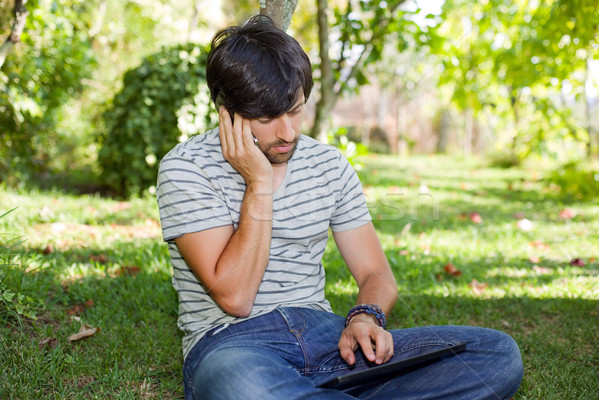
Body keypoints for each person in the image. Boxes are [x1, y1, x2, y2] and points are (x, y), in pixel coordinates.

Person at [156, 15, 523, 400]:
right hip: (236, 346)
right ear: (226, 111)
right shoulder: (186, 168)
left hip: (330, 341)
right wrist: (258, 184)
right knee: (239, 386)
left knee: (495, 355)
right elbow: (236, 297)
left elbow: (377, 274)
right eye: (267, 117)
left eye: (295, 110)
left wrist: (365, 316)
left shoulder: (328, 164)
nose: (288, 132)